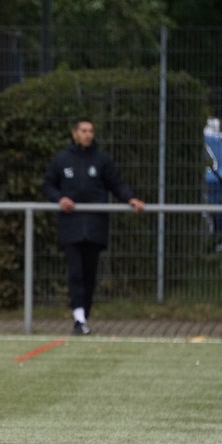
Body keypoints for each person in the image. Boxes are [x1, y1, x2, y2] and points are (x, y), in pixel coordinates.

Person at [42, 117, 145, 335]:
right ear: (74, 133)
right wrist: (59, 199)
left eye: (91, 131)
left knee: (89, 274)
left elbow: (116, 184)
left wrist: (130, 199)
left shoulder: (101, 160)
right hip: (71, 226)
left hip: (95, 226)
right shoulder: (62, 160)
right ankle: (78, 318)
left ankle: (83, 317)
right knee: (75, 272)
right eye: (83, 130)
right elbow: (49, 184)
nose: (88, 134)